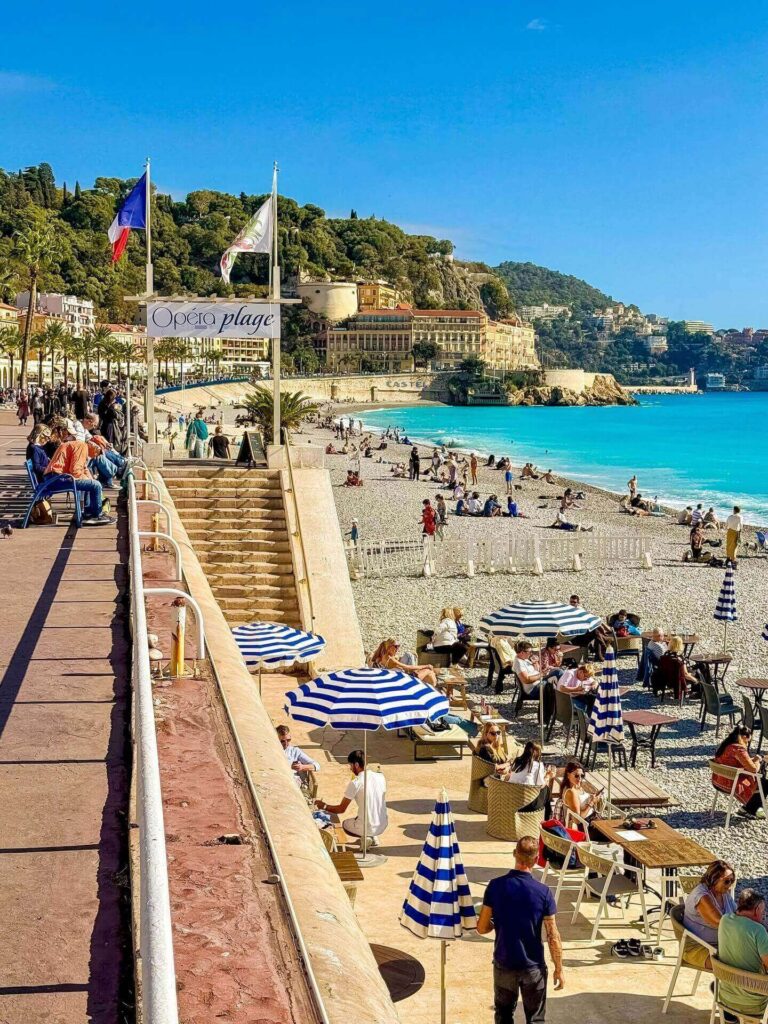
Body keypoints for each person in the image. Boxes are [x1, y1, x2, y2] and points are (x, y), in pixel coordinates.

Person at [477, 835, 564, 1023]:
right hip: (533, 968)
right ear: (536, 858)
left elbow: (482, 928)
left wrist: (498, 923)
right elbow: (553, 935)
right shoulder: (544, 892)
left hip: (504, 964)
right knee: (535, 1019)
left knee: (504, 1015)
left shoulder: (495, 886)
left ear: (515, 854)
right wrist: (559, 968)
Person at [43, 425, 114, 525]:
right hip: (56, 479)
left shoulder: (80, 446)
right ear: (95, 446)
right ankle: (97, 515)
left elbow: (84, 469)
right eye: (100, 452)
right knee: (96, 485)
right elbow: (75, 471)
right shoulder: (82, 447)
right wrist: (92, 481)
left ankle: (89, 513)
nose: (98, 455)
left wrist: (90, 479)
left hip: (53, 477)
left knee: (92, 483)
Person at [315, 749, 388, 846]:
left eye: (350, 765)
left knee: (345, 824)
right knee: (366, 811)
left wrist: (324, 806)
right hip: (383, 824)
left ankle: (367, 836)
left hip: (369, 827)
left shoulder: (356, 783)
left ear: (356, 765)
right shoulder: (380, 776)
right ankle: (372, 837)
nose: (350, 768)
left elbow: (341, 809)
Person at [717, 889, 768, 1020]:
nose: (763, 916)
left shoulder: (724, 920)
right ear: (757, 910)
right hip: (752, 1004)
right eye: (762, 912)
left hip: (726, 997)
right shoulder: (758, 931)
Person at [682, 860, 737, 970]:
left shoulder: (723, 894)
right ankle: (728, 987)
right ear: (714, 879)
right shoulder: (702, 897)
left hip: (720, 945)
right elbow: (720, 922)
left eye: (732, 881)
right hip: (699, 949)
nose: (730, 886)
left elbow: (737, 913)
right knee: (741, 965)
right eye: (726, 881)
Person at [712, 725, 768, 818]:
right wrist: (758, 760)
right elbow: (754, 769)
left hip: (718, 780)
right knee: (764, 784)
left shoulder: (726, 745)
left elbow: (739, 763)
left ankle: (749, 808)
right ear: (745, 737)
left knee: (762, 782)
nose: (748, 743)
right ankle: (749, 809)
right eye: (748, 740)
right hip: (731, 783)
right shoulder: (739, 749)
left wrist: (753, 760)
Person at [504, 741, 555, 814]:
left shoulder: (517, 761)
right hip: (528, 805)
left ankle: (548, 816)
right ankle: (547, 818)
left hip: (512, 802)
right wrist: (548, 776)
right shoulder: (538, 765)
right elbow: (540, 785)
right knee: (546, 789)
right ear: (537, 752)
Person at [369, 637, 438, 688]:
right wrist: (426, 666)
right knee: (428, 671)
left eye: (398, 646)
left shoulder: (385, 657)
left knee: (428, 671)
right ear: (389, 647)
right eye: (396, 646)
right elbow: (408, 667)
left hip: (399, 677)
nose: (397, 648)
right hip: (405, 681)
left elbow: (399, 665)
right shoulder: (390, 659)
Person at [513, 641, 556, 719]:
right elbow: (526, 680)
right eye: (529, 652)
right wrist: (542, 675)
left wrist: (535, 663)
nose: (531, 654)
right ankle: (549, 714)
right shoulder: (519, 663)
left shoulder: (524, 659)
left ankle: (558, 705)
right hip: (533, 688)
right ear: (522, 652)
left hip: (538, 681)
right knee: (553, 687)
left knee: (557, 672)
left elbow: (536, 670)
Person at [558, 759, 603, 833]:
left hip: (593, 820)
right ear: (568, 775)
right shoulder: (571, 792)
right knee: (615, 833)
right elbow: (577, 820)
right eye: (576, 775)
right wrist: (592, 802)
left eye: (582, 776)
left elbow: (581, 803)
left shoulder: (577, 787)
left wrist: (591, 797)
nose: (579, 779)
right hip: (587, 826)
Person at [651, 636, 699, 700]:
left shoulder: (664, 656)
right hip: (678, 681)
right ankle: (695, 692)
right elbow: (685, 675)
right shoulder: (679, 659)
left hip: (666, 679)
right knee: (697, 674)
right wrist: (696, 680)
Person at [275, 724, 320, 789]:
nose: (286, 743)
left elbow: (317, 765)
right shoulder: (273, 750)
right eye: (282, 741)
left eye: (288, 740)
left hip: (292, 783)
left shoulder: (295, 751)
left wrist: (302, 767)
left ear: (290, 737)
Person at [98, 388, 126, 453]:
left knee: (105, 442)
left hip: (103, 425)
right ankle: (109, 454)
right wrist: (114, 408)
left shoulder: (102, 403)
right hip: (110, 426)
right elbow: (115, 415)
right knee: (109, 443)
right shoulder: (110, 407)